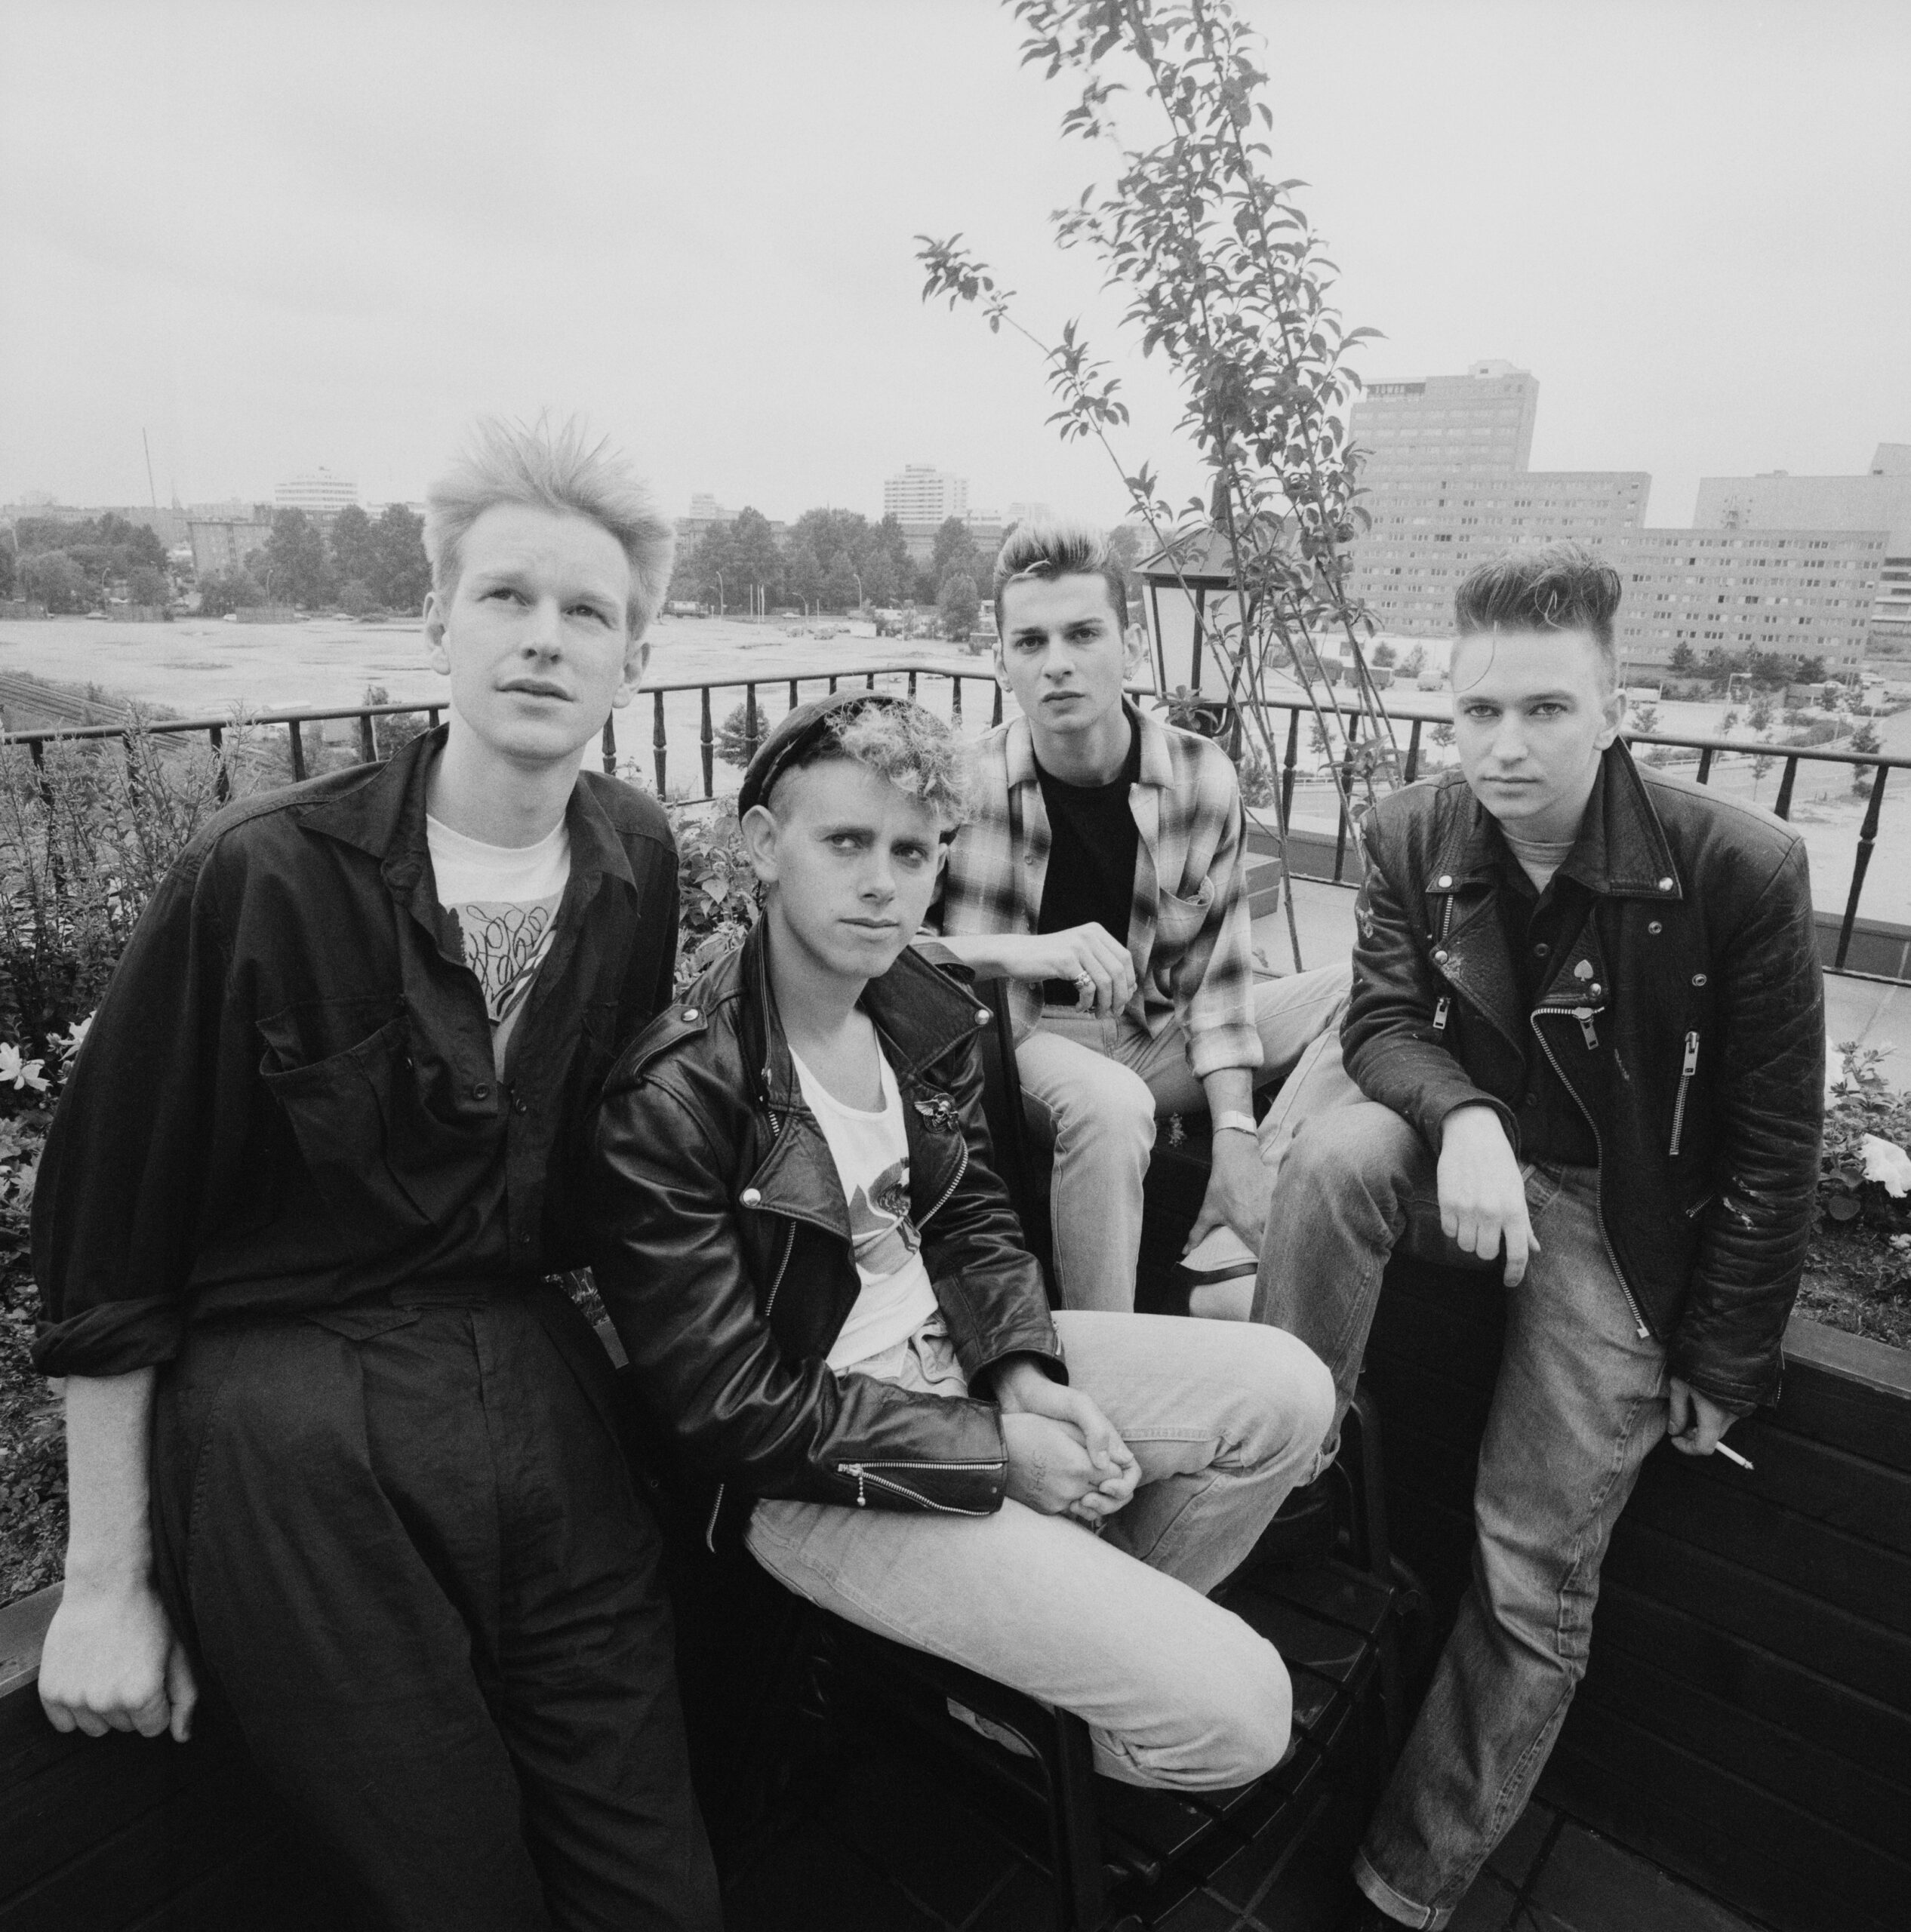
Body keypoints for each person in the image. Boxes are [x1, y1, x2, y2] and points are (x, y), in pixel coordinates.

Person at [31, 417, 721, 1930]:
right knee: (448, 1879)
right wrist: (104, 1578)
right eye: (507, 598)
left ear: (638, 656)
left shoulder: (636, 863)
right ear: (436, 621)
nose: (545, 640)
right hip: (289, 1405)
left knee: (654, 1876)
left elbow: (611, 1158)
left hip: (520, 1366)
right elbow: (107, 1240)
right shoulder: (261, 875)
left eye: (588, 612)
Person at [588, 692, 1337, 1791]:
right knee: (1244, 1718)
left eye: (913, 849)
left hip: (959, 1369)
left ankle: (1035, 1669)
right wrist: (993, 1456)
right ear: (761, 846)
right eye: (844, 841)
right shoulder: (673, 1096)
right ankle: (1041, 1691)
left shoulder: (920, 1007)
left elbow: (974, 1217)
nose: (882, 882)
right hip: (814, 1472)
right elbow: (728, 1410)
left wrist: (1022, 1375)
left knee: (1289, 1391)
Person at [1253, 545, 1825, 1930]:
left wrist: (1724, 1349)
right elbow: (1381, 1025)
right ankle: (1283, 1449)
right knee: (1332, 1148)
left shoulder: (1736, 868)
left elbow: (1770, 1135)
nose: (1504, 747)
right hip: (1470, 1157)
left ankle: (1405, 1883)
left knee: (1528, 1568)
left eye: (1545, 711)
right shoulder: (1408, 835)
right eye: (1478, 713)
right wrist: (1461, 1123)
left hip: (1620, 1218)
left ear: (1611, 709)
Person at [922, 519, 1347, 1312]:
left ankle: (1238, 1219)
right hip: (1022, 1044)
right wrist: (1026, 953)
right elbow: (895, 956)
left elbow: (1219, 988)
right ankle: (1107, 1370)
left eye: (1083, 633)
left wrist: (1234, 1139)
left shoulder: (1198, 775)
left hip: (1154, 1035)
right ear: (1003, 661)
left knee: (1360, 988)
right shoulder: (963, 784)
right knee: (1112, 1108)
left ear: (1132, 644)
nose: (1058, 663)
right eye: (1031, 641)